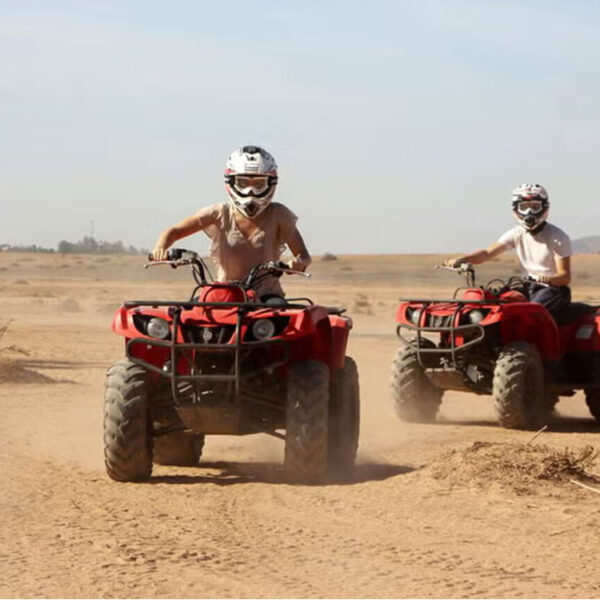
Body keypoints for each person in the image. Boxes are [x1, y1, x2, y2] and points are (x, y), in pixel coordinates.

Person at [152, 145, 311, 300]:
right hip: (224, 293)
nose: (250, 191)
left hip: (266, 295)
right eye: (243, 183)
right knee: (192, 316)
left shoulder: (279, 214)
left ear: (271, 183)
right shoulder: (218, 213)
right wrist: (160, 248)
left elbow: (303, 255)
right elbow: (174, 231)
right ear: (231, 181)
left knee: (279, 317)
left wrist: (297, 263)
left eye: (258, 184)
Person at [444, 183, 572, 320]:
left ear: (544, 207)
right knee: (494, 304)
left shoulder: (557, 237)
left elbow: (565, 277)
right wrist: (463, 259)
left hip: (551, 290)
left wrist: (548, 279)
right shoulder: (516, 233)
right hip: (526, 286)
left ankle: (527, 341)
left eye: (535, 206)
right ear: (516, 209)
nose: (529, 212)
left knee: (531, 313)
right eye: (524, 207)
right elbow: (487, 253)